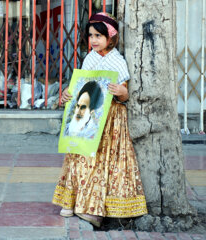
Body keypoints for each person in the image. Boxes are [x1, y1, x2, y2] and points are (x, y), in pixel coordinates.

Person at [52, 12, 148, 227]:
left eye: (98, 36)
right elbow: (80, 88)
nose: (93, 40)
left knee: (101, 161)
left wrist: (121, 91)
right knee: (80, 155)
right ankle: (72, 201)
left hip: (110, 119)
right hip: (88, 115)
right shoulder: (90, 58)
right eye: (91, 35)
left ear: (111, 38)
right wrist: (67, 93)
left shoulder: (117, 61)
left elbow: (125, 95)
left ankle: (94, 210)